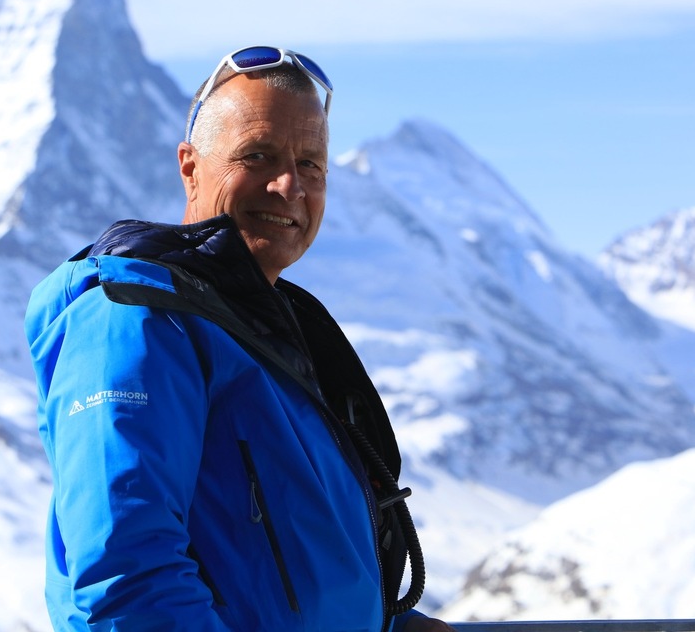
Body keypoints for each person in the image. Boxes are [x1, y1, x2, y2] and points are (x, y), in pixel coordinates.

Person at [25, 46, 453, 631]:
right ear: (190, 166)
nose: (289, 186)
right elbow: (127, 581)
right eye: (258, 156)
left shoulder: (260, 328)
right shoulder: (133, 319)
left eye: (312, 164)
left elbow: (275, 570)